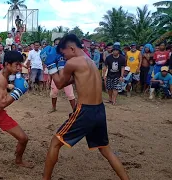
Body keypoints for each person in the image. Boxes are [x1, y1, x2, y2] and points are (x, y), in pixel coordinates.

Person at [41, 34, 129, 180]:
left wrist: (50, 66)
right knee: (106, 150)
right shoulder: (90, 61)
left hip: (85, 111)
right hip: (99, 110)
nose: (64, 57)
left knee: (55, 143)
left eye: (64, 53)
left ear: (71, 48)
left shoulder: (73, 62)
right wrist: (61, 67)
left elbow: (59, 84)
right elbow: (72, 80)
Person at [47, 38, 76, 113]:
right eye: (56, 44)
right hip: (56, 76)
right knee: (54, 93)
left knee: (70, 94)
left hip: (67, 76)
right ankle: (53, 108)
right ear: (54, 45)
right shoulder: (53, 55)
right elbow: (51, 67)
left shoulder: (67, 54)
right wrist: (49, 77)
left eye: (59, 44)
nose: (58, 46)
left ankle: (74, 110)